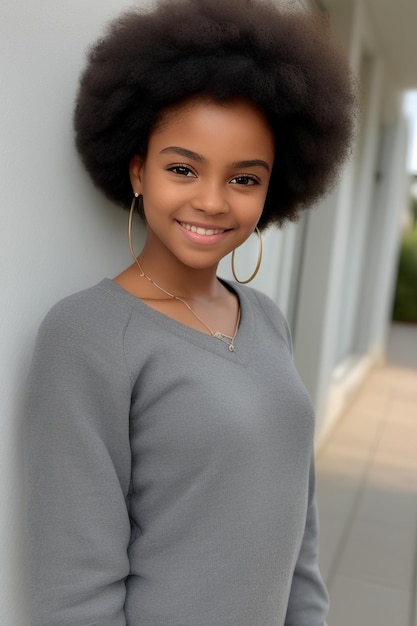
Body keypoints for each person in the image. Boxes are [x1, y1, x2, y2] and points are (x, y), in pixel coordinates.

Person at [24, 0, 356, 624]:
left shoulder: (265, 318)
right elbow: (73, 591)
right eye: (183, 168)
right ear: (138, 170)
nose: (211, 201)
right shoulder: (88, 335)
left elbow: (298, 531)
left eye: (244, 178)